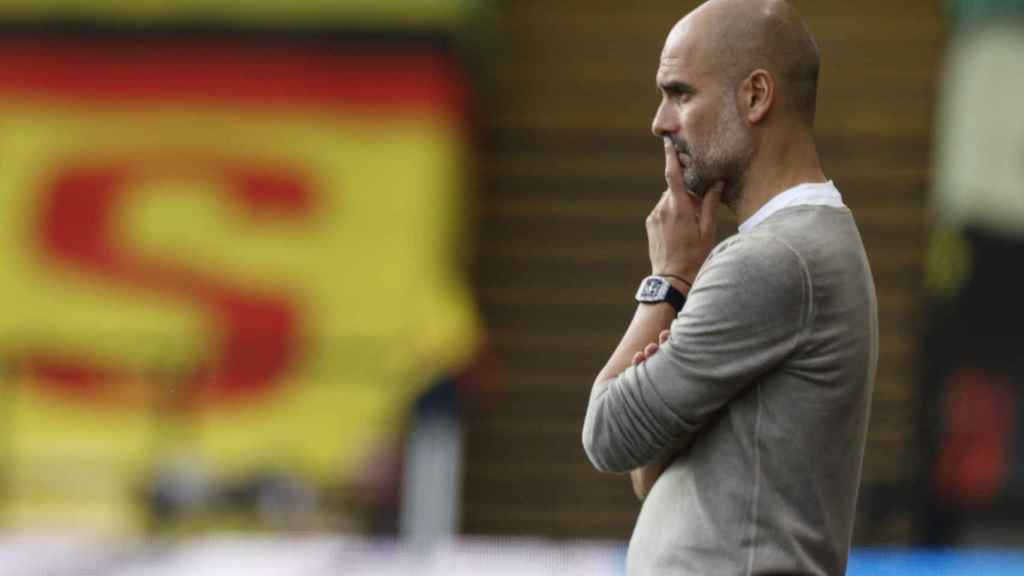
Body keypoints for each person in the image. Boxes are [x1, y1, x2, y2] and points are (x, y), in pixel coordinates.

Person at [581, 0, 878, 574]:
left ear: (755, 96)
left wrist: (668, 282)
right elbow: (649, 469)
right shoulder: (790, 251)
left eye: (681, 93)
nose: (660, 122)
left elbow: (610, 434)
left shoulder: (775, 260)